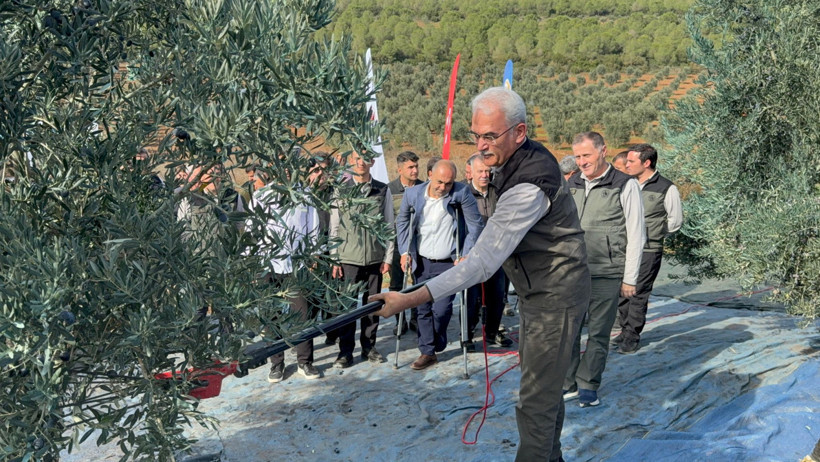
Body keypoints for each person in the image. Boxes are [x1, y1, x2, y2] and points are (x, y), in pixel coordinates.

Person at [373, 87, 590, 461]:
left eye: (490, 136)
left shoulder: (529, 183)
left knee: (536, 399)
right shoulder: (515, 160)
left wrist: (409, 298)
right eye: (475, 135)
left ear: (519, 133)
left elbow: (482, 262)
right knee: (545, 392)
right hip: (541, 291)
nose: (481, 145)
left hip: (556, 297)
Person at [564, 132, 646, 408]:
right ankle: (568, 382)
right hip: (573, 272)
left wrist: (630, 278)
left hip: (607, 272)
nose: (582, 161)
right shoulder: (572, 183)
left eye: (586, 155)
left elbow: (637, 233)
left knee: (598, 332)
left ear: (603, 151)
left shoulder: (625, 185)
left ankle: (588, 383)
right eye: (577, 156)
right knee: (569, 331)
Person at [395, 159, 483, 370]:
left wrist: (467, 253)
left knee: (442, 309)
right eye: (440, 182)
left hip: (448, 263)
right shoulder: (413, 194)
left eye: (449, 183)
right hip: (422, 262)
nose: (444, 187)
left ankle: (436, 340)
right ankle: (428, 352)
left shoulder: (460, 193)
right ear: (429, 176)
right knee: (422, 307)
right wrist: (405, 252)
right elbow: (402, 222)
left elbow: (475, 225)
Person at [245, 169, 321, 382]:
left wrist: (312, 253)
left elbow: (313, 226)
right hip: (267, 264)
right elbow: (252, 230)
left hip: (296, 264)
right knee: (271, 314)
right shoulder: (261, 196)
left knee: (302, 313)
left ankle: (304, 362)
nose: (286, 170)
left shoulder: (304, 195)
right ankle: (276, 364)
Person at [329, 150, 394, 368]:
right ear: (350, 161)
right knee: (347, 307)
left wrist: (388, 257)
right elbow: (334, 225)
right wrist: (334, 258)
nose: (361, 163)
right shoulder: (342, 190)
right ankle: (345, 352)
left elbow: (388, 225)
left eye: (365, 159)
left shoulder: (382, 190)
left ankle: (369, 347)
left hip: (375, 257)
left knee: (372, 305)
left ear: (372, 162)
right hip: (348, 258)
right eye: (357, 159)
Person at [615, 143, 682, 353]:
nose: (626, 165)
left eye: (631, 161)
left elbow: (675, 221)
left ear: (646, 163)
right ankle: (624, 330)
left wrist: (653, 233)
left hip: (649, 249)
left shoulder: (667, 188)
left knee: (637, 293)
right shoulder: (625, 184)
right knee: (621, 292)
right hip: (624, 248)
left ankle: (631, 337)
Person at [464, 153, 513, 351]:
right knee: (471, 298)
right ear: (471, 173)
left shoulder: (498, 192)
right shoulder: (463, 194)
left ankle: (492, 332)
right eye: (481, 171)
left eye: (487, 171)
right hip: (473, 254)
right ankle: (467, 334)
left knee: (497, 295)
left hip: (497, 253)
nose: (485, 175)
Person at [387, 151, 423, 335]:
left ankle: (416, 318)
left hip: (420, 243)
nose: (415, 170)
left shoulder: (425, 187)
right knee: (397, 284)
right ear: (399, 169)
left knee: (419, 282)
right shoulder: (390, 189)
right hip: (397, 245)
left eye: (416, 166)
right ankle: (399, 320)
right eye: (410, 167)